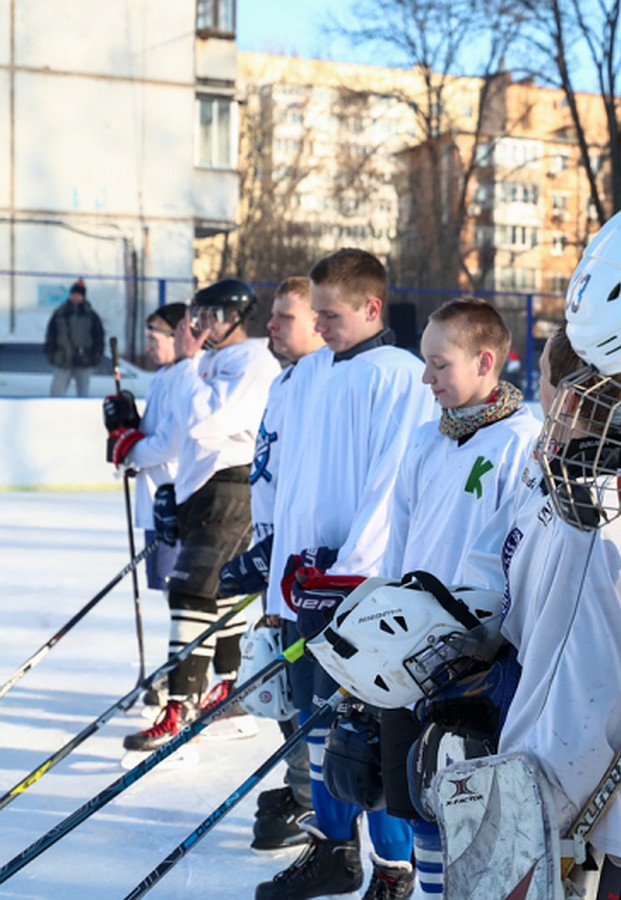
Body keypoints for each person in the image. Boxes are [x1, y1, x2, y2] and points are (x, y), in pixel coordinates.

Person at [437, 325, 621, 899]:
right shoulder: (558, 475)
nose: (533, 394)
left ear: (570, 396)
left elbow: (598, 705)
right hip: (593, 798)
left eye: (542, 380)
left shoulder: (609, 521)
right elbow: (502, 575)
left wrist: (531, 823)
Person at [257, 248, 437, 900]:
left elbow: (392, 484)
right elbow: (291, 478)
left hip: (361, 592)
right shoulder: (308, 375)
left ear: (371, 307)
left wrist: (354, 567)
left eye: (331, 315)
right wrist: (275, 561)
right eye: (317, 314)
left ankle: (394, 869)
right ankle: (335, 852)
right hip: (305, 587)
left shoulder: (398, 376)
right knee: (316, 725)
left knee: (371, 734)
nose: (322, 325)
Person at [376, 297, 541, 895]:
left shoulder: (523, 442)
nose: (427, 378)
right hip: (409, 654)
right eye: (425, 363)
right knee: (417, 799)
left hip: (478, 660)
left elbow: (526, 556)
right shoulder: (425, 441)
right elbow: (399, 548)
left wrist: (498, 629)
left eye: (439, 364)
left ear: (485, 361)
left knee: (470, 810)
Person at [110, 278, 280, 753]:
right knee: (216, 591)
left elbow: (206, 420)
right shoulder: (210, 360)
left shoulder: (252, 362)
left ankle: (179, 705)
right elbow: (181, 426)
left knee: (190, 587)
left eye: (208, 316)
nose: (199, 325)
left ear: (232, 318)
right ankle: (229, 690)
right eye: (197, 316)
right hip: (200, 487)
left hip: (232, 485)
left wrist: (186, 363)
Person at [218, 276, 328, 851]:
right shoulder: (287, 382)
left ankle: (317, 808)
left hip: (307, 575)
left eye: (285, 317)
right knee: (284, 690)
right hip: (277, 571)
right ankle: (304, 791)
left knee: (311, 697)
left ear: (317, 323)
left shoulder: (322, 385)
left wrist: (284, 548)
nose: (271, 324)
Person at [102, 302, 190, 708]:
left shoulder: (187, 375)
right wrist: (126, 425)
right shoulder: (163, 377)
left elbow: (171, 442)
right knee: (171, 594)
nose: (150, 344)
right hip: (156, 503)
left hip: (178, 502)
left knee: (184, 595)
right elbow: (151, 434)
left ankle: (188, 676)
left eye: (157, 336)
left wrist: (132, 448)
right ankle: (178, 669)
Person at [44, 277, 105, 396]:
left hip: (84, 360)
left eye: (79, 294)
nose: (76, 297)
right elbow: (51, 335)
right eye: (74, 294)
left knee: (83, 393)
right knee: (56, 393)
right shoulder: (60, 313)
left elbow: (99, 337)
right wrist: (50, 354)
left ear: (83, 296)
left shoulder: (91, 316)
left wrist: (96, 356)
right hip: (62, 359)